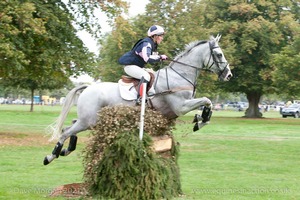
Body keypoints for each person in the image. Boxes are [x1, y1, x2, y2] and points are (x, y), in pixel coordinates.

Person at [118, 25, 168, 102]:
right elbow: (147, 58)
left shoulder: (151, 44)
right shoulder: (146, 43)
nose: (162, 38)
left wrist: (159, 57)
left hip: (135, 66)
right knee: (146, 76)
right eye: (161, 36)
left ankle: (149, 95)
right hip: (130, 66)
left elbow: (152, 57)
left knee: (152, 73)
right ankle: (140, 98)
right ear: (155, 36)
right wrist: (160, 57)